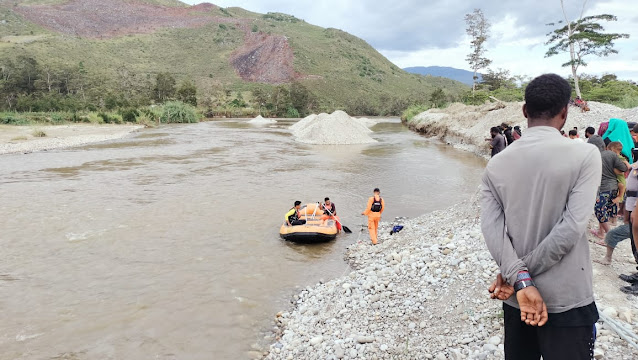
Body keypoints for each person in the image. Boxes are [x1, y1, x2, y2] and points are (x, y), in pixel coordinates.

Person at [482, 74, 601, 359]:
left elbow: (491, 228)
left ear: (525, 111)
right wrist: (519, 278)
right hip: (568, 299)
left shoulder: (496, 164)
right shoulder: (585, 156)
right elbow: (571, 228)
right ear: (565, 112)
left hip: (516, 301)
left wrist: (518, 278)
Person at [592, 142, 628, 239]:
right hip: (613, 188)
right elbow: (624, 168)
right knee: (605, 211)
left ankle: (609, 235)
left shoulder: (601, 155)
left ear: (608, 147)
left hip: (604, 188)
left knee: (599, 210)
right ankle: (601, 232)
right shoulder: (614, 156)